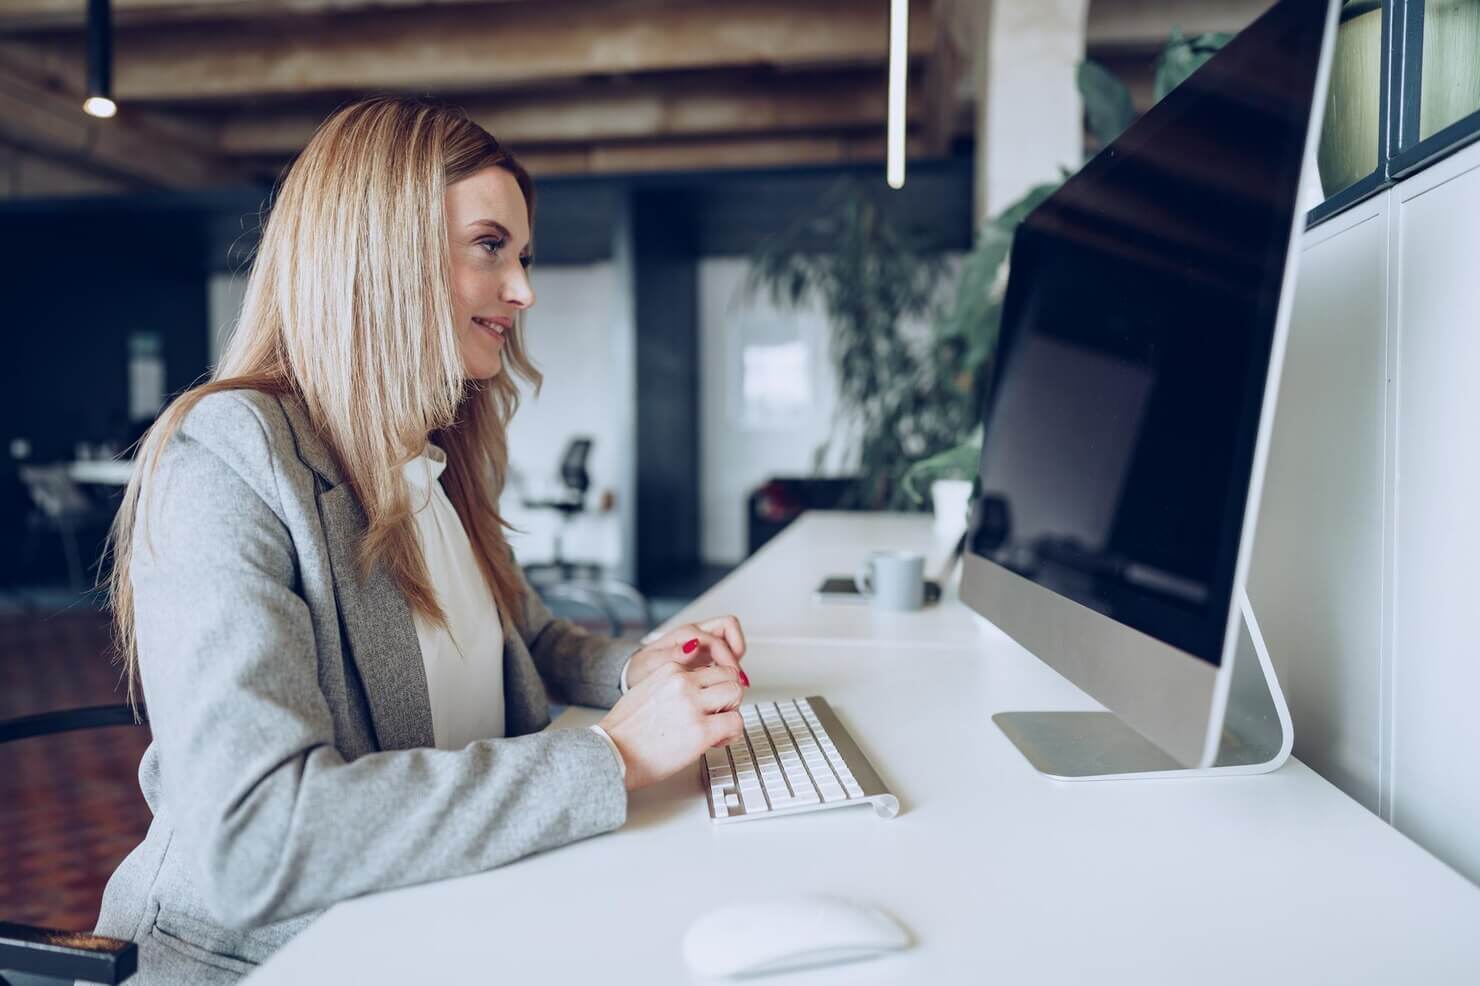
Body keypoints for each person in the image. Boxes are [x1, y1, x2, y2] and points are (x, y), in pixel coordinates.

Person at [94, 95, 750, 985]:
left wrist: (643, 671)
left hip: (447, 919)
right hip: (279, 962)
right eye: (491, 247)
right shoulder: (227, 460)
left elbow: (529, 637)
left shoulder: (436, 457)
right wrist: (614, 755)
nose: (522, 290)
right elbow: (258, 838)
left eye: (522, 257)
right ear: (381, 253)